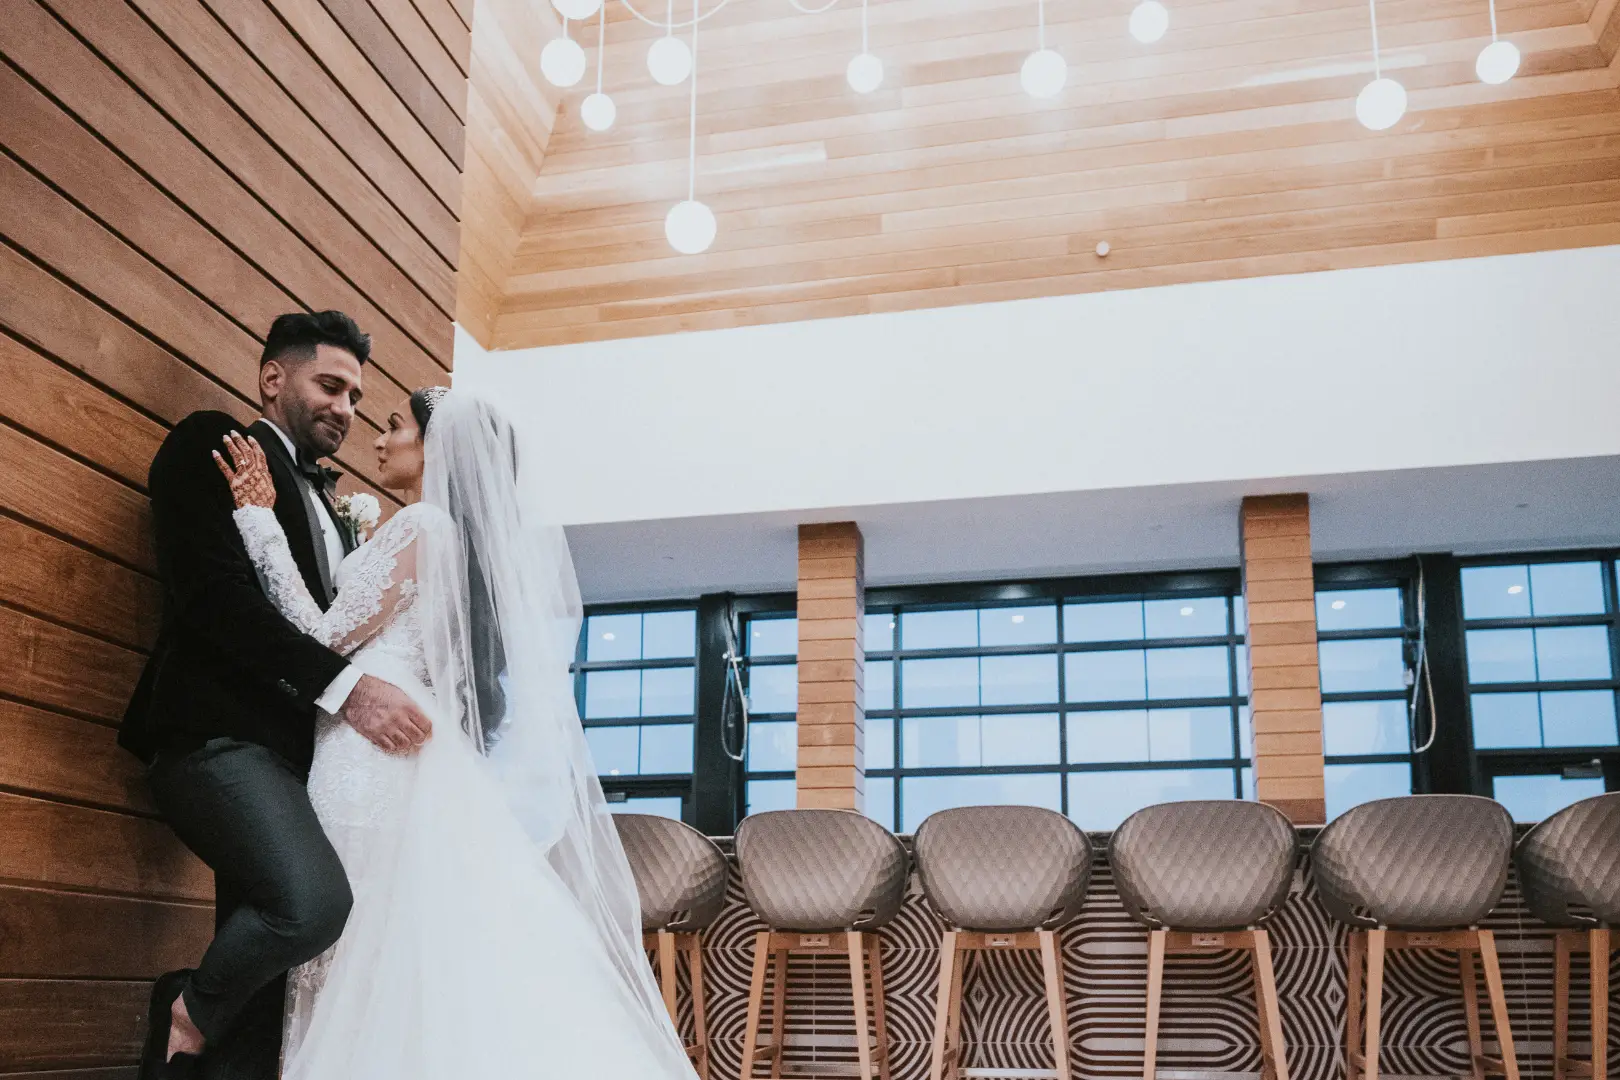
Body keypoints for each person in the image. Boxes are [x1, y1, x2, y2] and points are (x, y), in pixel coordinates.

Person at [211, 387, 697, 1079]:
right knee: (393, 956)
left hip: (368, 759)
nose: (379, 440)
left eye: (394, 426)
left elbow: (319, 639)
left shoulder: (422, 525)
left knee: (351, 958)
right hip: (414, 757)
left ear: (437, 447)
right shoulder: (461, 543)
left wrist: (260, 523)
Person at [121, 311, 433, 1080]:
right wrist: (351, 694)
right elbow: (216, 601)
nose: (346, 409)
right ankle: (185, 1010)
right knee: (312, 905)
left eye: (358, 397)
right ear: (272, 377)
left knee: (276, 989)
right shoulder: (212, 444)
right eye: (330, 385)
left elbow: (320, 622)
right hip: (220, 737)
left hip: (304, 764)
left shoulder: (342, 511)